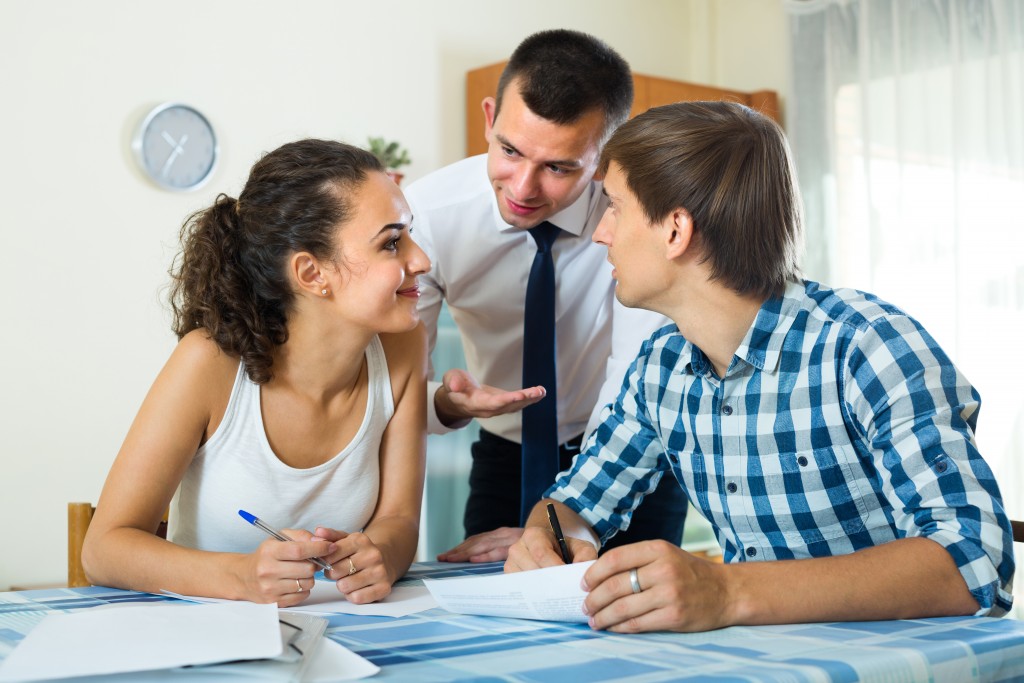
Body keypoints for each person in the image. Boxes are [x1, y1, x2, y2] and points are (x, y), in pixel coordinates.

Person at [506, 101, 1015, 632]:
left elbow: (976, 561)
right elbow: (573, 504)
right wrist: (548, 535)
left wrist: (726, 591)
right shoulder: (661, 365)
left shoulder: (868, 348)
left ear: (675, 230)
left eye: (614, 206)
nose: (599, 233)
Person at [82, 139, 431, 607]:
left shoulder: (404, 348)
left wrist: (381, 555)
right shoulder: (208, 362)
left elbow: (400, 521)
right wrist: (242, 576)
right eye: (392, 242)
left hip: (345, 635)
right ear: (311, 274)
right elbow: (104, 548)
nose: (421, 259)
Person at [404, 29, 686, 563]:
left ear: (606, 154)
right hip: (505, 455)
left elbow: (635, 378)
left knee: (634, 623)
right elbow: (393, 389)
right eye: (509, 150)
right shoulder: (428, 218)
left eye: (558, 167)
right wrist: (443, 401)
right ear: (490, 118)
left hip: (633, 454)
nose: (523, 188)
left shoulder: (637, 218)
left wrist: (566, 518)